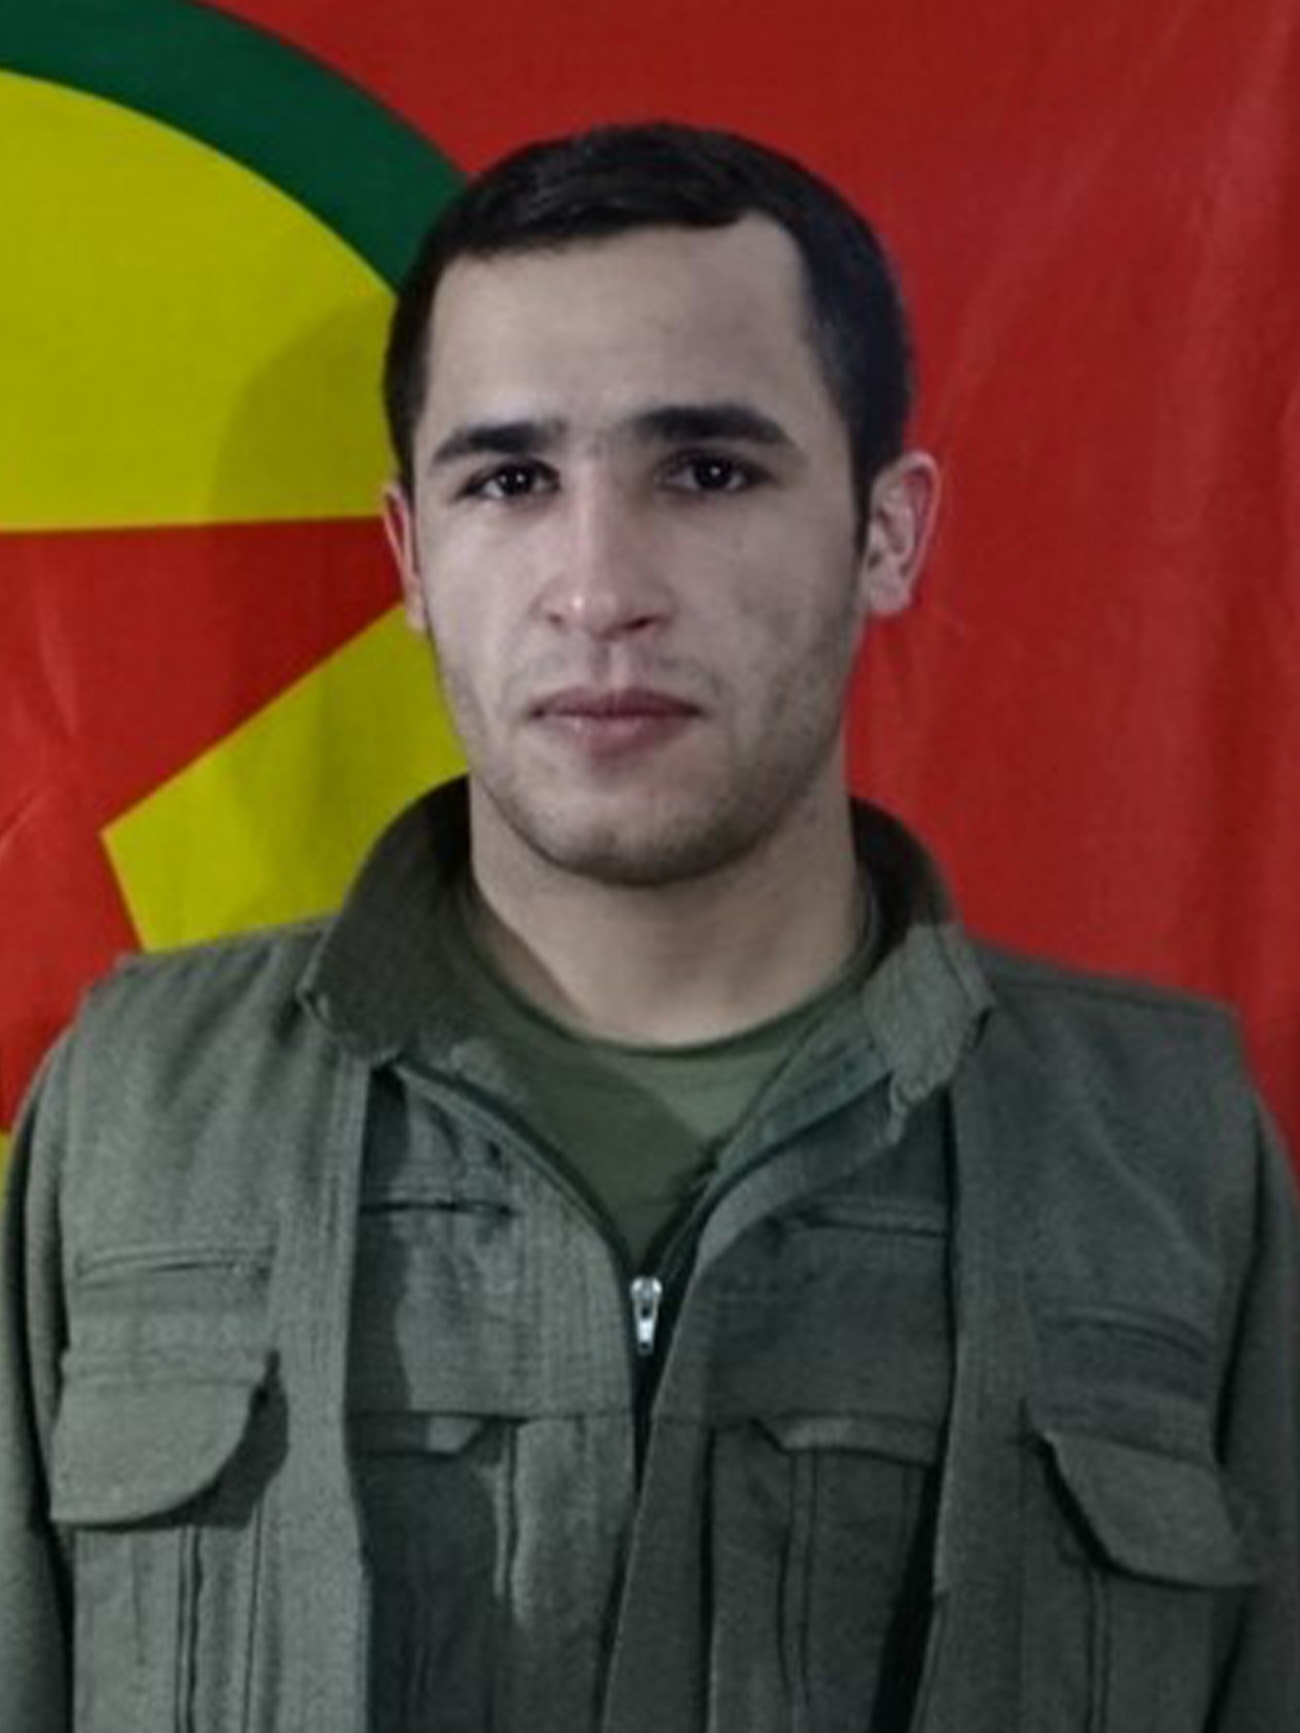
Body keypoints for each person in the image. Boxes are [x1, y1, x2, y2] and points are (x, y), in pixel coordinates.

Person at [1, 121, 1297, 1733]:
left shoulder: (1167, 1153)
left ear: (886, 532)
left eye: (707, 471)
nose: (599, 587)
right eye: (511, 480)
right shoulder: (139, 1113)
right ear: (412, 558)